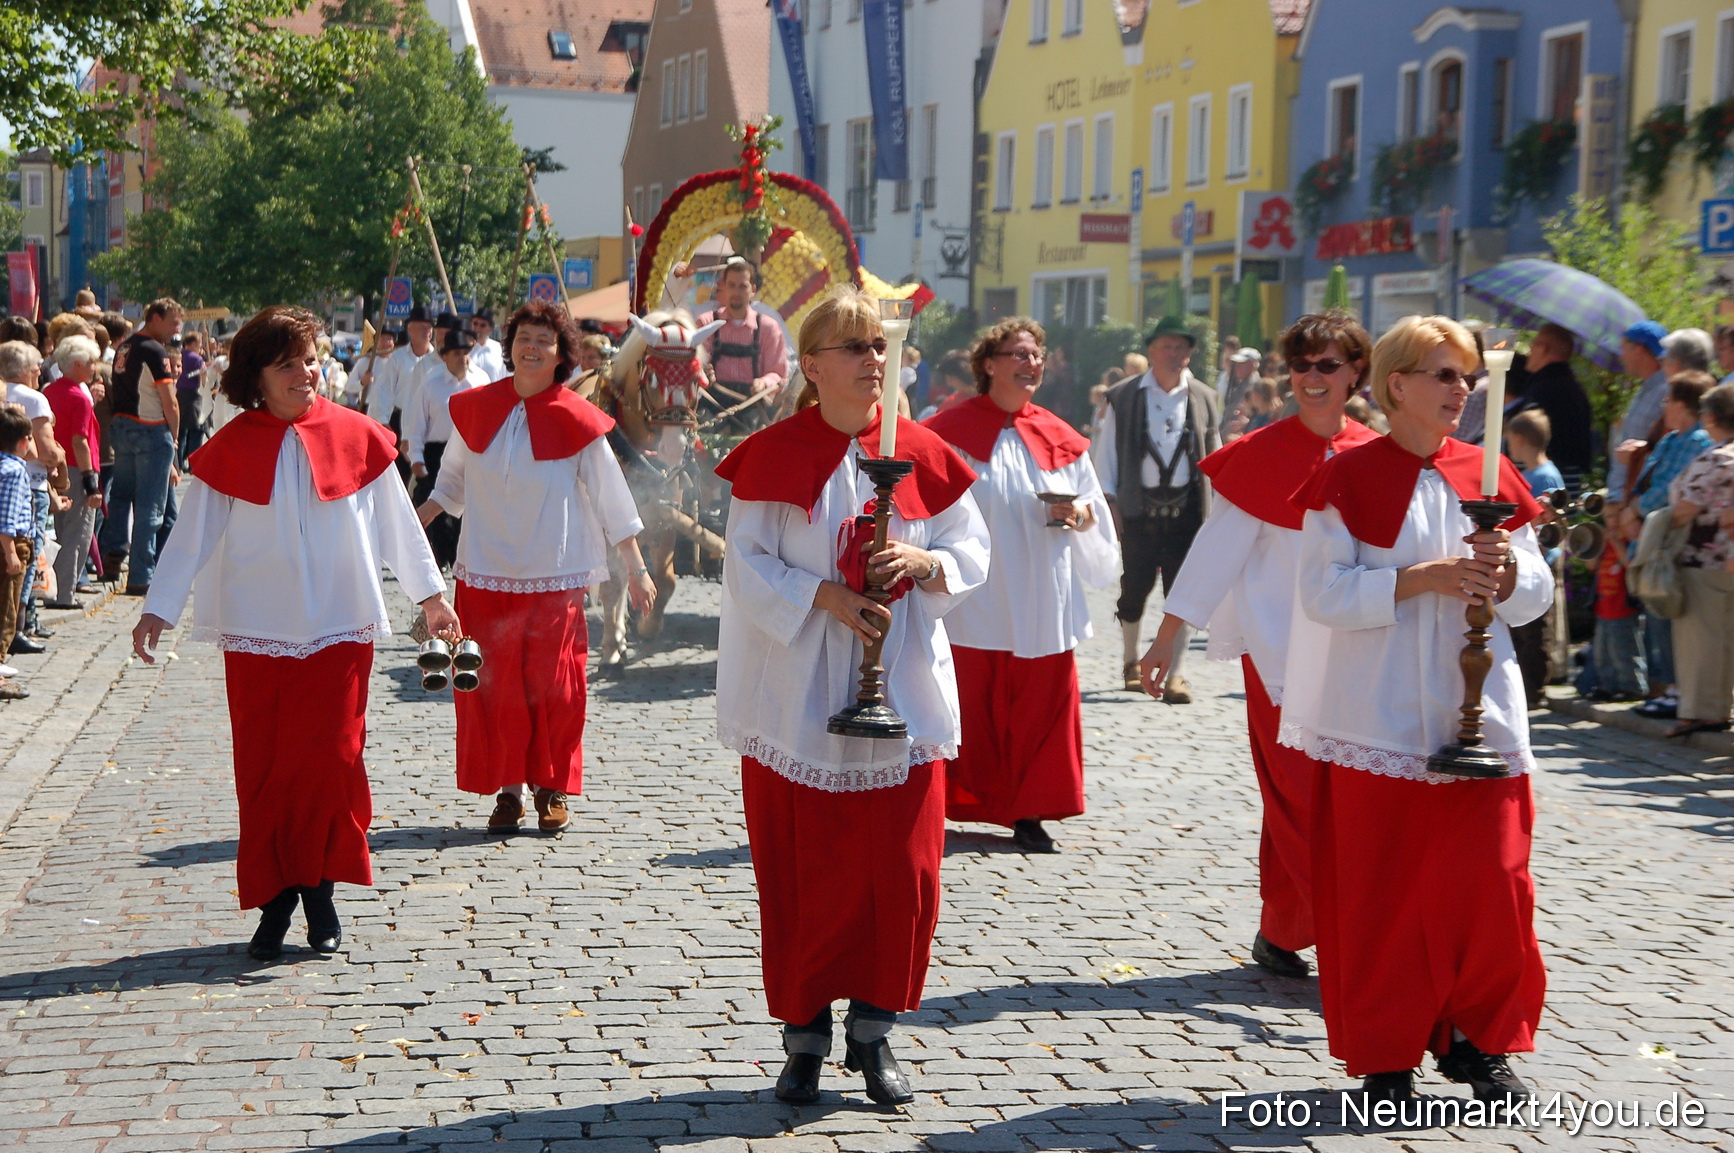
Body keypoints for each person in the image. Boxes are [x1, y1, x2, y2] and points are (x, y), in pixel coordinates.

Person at [713, 287, 987, 1107]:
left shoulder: (922, 449)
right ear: (812, 365)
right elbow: (746, 563)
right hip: (798, 698)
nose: (874, 359)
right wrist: (823, 595)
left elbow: (970, 547)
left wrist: (925, 562)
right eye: (855, 346)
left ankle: (875, 1031)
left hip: (903, 695)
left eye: (880, 346)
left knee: (902, 874)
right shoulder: (774, 454)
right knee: (804, 874)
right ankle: (804, 1038)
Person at [132, 306, 460, 961]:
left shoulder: (359, 435)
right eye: (287, 364)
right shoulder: (232, 446)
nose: (305, 373)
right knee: (265, 769)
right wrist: (158, 607)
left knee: (332, 764)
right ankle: (276, 898)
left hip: (340, 625)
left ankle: (319, 892)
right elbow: (191, 536)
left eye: (310, 360)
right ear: (256, 375)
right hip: (256, 629)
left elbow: (399, 526)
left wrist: (433, 597)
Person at [1284, 314, 1551, 1105]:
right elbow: (1322, 593)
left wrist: (1507, 574)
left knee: (1493, 884)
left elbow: (1536, 593)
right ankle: (1387, 1053)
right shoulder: (1348, 475)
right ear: (1396, 384)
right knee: (1385, 891)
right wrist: (1419, 578)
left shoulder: (1491, 472)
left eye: (1468, 376)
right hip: (1379, 713)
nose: (1461, 390)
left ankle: (1478, 1041)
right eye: (1444, 374)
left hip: (1483, 715)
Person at [1139, 312, 1380, 981]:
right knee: (1300, 798)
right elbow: (1215, 551)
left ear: (1356, 373)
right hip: (1280, 658)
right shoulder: (1260, 453)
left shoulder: (1376, 454)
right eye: (1301, 364)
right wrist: (1166, 637)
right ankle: (1345, 931)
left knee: (1340, 802)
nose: (1312, 377)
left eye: (1327, 364)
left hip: (1362, 657)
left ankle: (1284, 929)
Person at [418, 301, 656, 834]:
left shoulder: (576, 417)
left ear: (560, 353)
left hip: (555, 576)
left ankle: (551, 787)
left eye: (544, 340)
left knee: (556, 687)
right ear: (510, 345)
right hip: (484, 572)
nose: (532, 347)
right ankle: (508, 793)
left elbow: (611, 498)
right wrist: (421, 517)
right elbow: (451, 482)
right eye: (524, 336)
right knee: (494, 686)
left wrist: (637, 567)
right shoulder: (475, 408)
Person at [924, 318, 1117, 854]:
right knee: (971, 704)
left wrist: (1078, 515)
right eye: (1019, 354)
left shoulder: (1059, 435)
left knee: (1040, 705)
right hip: (975, 597)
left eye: (1037, 355)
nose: (1031, 364)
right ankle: (952, 800)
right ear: (989, 364)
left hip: (1041, 594)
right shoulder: (949, 431)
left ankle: (1029, 811)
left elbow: (1092, 509)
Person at [1096, 316, 1222, 699]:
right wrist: (1110, 503)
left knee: (1182, 593)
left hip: (1187, 512)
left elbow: (1215, 453)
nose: (1174, 354)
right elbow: (1107, 454)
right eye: (1167, 346)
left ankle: (1177, 674)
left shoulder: (1203, 396)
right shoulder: (1123, 395)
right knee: (1134, 588)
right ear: (1151, 351)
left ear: (1190, 354)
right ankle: (1131, 661)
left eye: (1181, 347)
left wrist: (1217, 507)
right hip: (1139, 510)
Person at [1615, 373, 1716, 720]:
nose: (1664, 406)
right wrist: (1630, 512)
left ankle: (1677, 690)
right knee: (1656, 612)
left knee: (1669, 612)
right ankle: (1667, 687)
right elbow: (1649, 481)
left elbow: (1674, 486)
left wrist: (1634, 511)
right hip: (1651, 535)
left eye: (1668, 399)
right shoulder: (1672, 439)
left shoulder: (1698, 441)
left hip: (1672, 540)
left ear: (1683, 404)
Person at [99, 298, 183, 596]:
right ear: (156, 318)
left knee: (121, 496)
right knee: (150, 506)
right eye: (173, 323)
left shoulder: (125, 346)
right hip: (150, 428)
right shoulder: (154, 350)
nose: (176, 330)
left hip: (122, 425)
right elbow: (169, 400)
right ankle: (141, 575)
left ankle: (114, 550)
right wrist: (173, 437)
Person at [1664, 383, 1734, 738]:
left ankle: (1701, 712)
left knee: (1700, 640)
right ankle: (1717, 708)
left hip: (1704, 557)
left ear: (1711, 416)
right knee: (1722, 637)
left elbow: (1685, 508)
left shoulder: (1716, 459)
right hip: (1726, 556)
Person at [406, 328, 489, 570]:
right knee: (438, 507)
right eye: (456, 353)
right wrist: (417, 459)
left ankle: (459, 558)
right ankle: (440, 557)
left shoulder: (482, 381)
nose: (462, 358)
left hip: (472, 451)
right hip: (437, 452)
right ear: (444, 356)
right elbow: (417, 424)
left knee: (468, 507)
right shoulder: (430, 384)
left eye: (465, 352)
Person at [3, 339, 66, 650]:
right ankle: (19, 625)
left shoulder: (4, 394)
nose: (40, 371)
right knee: (27, 556)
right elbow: (46, 450)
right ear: (24, 369)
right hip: (30, 483)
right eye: (36, 366)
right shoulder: (33, 399)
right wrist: (60, 457)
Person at [43, 336, 106, 610]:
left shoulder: (50, 391)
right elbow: (80, 440)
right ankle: (64, 594)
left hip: (56, 468)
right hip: (78, 469)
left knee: (61, 530)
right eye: (91, 362)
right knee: (77, 534)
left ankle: (57, 589)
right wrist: (91, 482)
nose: (95, 367)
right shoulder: (80, 397)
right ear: (77, 364)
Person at [698, 258, 789, 409]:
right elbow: (692, 366)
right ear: (724, 287)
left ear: (753, 290)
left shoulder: (768, 328)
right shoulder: (706, 323)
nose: (736, 292)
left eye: (742, 286)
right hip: (711, 405)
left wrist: (763, 382)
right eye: (732, 285)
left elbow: (778, 374)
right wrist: (704, 374)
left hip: (753, 406)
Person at [1507, 324, 1592, 483]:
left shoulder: (1545, 390)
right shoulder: (1571, 387)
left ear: (1543, 349)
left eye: (1534, 344)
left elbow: (1528, 437)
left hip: (1542, 480)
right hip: (1567, 477)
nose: (1530, 350)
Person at [0, 406, 35, 700]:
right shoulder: (14, 471)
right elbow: (6, 518)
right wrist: (11, 553)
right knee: (6, 610)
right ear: (24, 441)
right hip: (12, 545)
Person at [176, 331, 207, 467]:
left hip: (180, 394)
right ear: (194, 343)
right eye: (199, 344)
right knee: (197, 430)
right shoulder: (196, 358)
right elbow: (203, 377)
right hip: (193, 395)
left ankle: (179, 462)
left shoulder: (178, 355)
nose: (200, 347)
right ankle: (194, 462)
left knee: (181, 431)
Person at [469, 308, 508, 382]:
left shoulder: (499, 349)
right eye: (475, 323)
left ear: (490, 329)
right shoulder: (463, 349)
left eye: (483, 325)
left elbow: (506, 375)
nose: (477, 328)